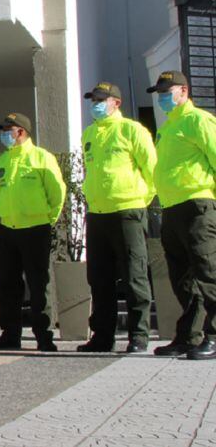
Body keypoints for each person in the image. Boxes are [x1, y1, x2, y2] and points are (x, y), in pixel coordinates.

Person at [78, 82, 156, 354]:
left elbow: (152, 170)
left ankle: (139, 335)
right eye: (93, 99)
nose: (95, 104)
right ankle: (102, 336)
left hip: (128, 211)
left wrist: (139, 202)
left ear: (116, 103)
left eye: (101, 99)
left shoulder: (132, 130)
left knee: (134, 275)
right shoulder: (89, 134)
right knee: (99, 279)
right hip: (98, 213)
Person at [148, 71, 216, 360]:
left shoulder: (199, 121)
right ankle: (189, 336)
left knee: (208, 272)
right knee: (182, 278)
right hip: (172, 208)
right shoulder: (168, 128)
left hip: (197, 205)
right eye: (160, 93)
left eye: (168, 91)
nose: (163, 97)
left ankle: (214, 335)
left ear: (184, 91)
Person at [0, 113, 65, 352]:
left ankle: (44, 335)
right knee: (7, 285)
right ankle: (10, 335)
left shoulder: (42, 158)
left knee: (39, 283)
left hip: (36, 229)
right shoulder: (2, 162)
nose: (3, 134)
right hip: (9, 230)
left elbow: (57, 193)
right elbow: (1, 194)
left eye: (6, 130)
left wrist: (47, 221)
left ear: (20, 131)